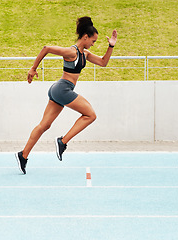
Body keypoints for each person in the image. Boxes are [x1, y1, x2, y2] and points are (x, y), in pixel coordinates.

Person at [15, 16, 117, 174]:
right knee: (90, 115)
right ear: (85, 37)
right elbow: (46, 48)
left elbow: (103, 62)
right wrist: (33, 68)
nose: (93, 44)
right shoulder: (71, 52)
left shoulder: (86, 54)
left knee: (44, 125)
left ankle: (23, 155)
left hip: (59, 90)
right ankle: (62, 142)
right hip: (63, 89)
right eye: (93, 41)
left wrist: (110, 46)